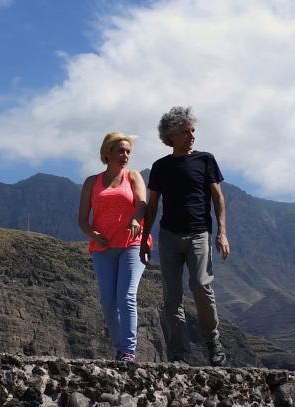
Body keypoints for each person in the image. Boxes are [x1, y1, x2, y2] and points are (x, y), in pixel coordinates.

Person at [140, 106, 230, 367]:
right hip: (169, 236)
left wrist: (222, 233)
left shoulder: (205, 160)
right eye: (185, 132)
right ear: (171, 136)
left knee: (201, 285)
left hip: (199, 233)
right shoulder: (160, 167)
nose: (191, 136)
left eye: (192, 131)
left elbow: (218, 198)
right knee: (172, 295)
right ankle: (179, 354)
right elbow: (152, 205)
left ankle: (213, 343)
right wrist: (145, 238)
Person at [78, 132, 152, 362]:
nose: (125, 155)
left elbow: (142, 204)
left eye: (128, 151)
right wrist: (94, 234)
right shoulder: (92, 182)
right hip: (103, 247)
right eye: (120, 151)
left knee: (126, 295)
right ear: (107, 153)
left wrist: (135, 219)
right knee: (109, 303)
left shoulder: (133, 176)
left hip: (132, 243)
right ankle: (120, 347)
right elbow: (82, 220)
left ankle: (128, 351)